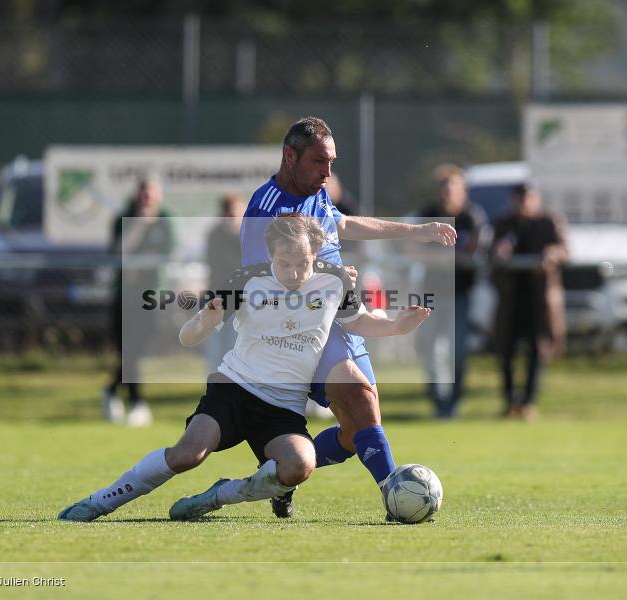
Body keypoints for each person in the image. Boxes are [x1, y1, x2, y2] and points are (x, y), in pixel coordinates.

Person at [58, 214, 431, 522]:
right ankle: (101, 501)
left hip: (284, 406)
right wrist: (204, 322)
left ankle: (220, 495)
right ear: (270, 254)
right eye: (284, 263)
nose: (294, 272)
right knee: (188, 454)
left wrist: (397, 326)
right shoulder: (247, 280)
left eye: (302, 263)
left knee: (300, 466)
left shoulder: (334, 280)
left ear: (316, 252)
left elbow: (359, 321)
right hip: (234, 389)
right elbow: (188, 337)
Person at [241, 116, 456, 517]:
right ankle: (395, 495)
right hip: (305, 327)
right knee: (359, 398)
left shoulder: (314, 192)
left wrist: (412, 231)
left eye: (331, 163)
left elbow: (342, 224)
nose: (327, 172)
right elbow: (261, 283)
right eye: (319, 162)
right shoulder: (267, 210)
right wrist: (330, 279)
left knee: (358, 427)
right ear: (290, 156)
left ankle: (279, 472)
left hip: (343, 316)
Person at [490, 182, 568, 420]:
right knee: (506, 351)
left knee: (537, 350)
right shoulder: (504, 224)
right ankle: (509, 402)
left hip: (539, 299)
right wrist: (499, 250)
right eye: (520, 199)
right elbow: (489, 253)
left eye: (528, 198)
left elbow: (565, 250)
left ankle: (528, 402)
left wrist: (551, 253)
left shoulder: (549, 222)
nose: (524, 204)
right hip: (510, 298)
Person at [415, 163, 488, 419]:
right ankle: (438, 402)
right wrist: (448, 257)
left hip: (460, 293)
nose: (447, 192)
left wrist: (439, 256)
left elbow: (473, 251)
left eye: (452, 186)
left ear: (463, 190)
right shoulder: (428, 215)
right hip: (430, 294)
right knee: (429, 349)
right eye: (443, 187)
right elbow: (415, 249)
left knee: (457, 351)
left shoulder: (472, 217)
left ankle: (452, 403)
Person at [102, 177, 174, 427]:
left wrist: (141, 263)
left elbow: (169, 252)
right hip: (124, 295)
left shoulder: (165, 221)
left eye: (152, 194)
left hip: (151, 296)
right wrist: (139, 227)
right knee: (128, 349)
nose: (147, 199)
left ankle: (112, 391)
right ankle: (136, 402)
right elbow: (118, 252)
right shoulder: (124, 219)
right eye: (144, 194)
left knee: (137, 349)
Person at [202, 194, 243, 373]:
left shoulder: (248, 236)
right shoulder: (215, 235)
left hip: (242, 300)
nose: (231, 218)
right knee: (215, 351)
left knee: (235, 348)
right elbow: (220, 265)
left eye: (234, 214)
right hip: (217, 297)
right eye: (227, 213)